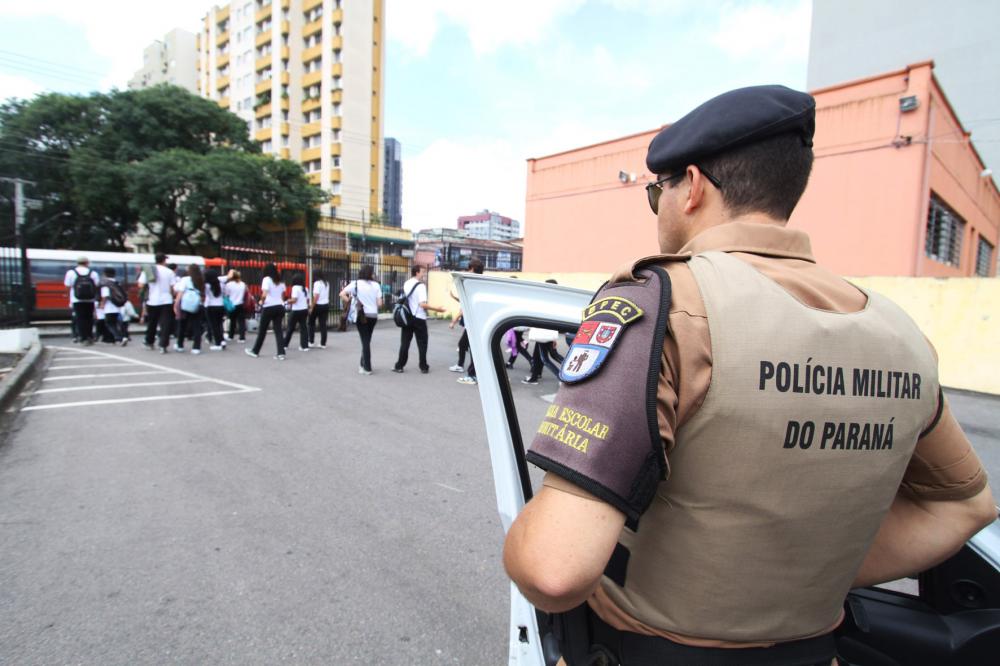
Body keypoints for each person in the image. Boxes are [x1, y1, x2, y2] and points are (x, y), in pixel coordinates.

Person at [502, 86, 996, 666]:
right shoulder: (901, 334)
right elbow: (966, 506)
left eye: (657, 194)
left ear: (693, 187)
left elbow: (554, 569)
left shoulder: (663, 302)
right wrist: (807, 574)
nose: (658, 209)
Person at [392, 265, 446, 374]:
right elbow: (422, 304)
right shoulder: (421, 286)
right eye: (422, 272)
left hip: (407, 317)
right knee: (422, 344)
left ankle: (399, 366)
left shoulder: (407, 283)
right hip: (419, 318)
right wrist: (438, 309)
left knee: (405, 343)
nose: (424, 274)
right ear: (416, 272)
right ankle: (423, 366)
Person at [339, 264, 382, 375]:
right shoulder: (376, 285)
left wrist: (350, 301)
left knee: (365, 341)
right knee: (367, 340)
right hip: (373, 316)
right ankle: (362, 364)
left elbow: (342, 294)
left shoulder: (356, 284)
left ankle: (367, 368)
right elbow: (380, 304)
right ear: (370, 274)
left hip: (361, 315)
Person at [453, 257, 484, 385]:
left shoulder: (473, 284)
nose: (467, 271)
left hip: (474, 323)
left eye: (469, 269)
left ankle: (472, 375)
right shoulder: (480, 283)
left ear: (472, 269)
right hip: (475, 322)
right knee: (469, 347)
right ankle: (474, 373)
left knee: (473, 349)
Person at [138, 254, 177, 354]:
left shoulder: (148, 270)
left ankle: (149, 341)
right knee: (165, 323)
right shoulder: (169, 272)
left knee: (152, 322)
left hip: (152, 300)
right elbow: (172, 288)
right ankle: (163, 345)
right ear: (164, 260)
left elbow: (140, 284)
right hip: (166, 300)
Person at [247, 262, 286, 360]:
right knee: (278, 330)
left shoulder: (267, 279)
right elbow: (282, 296)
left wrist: (261, 301)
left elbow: (264, 294)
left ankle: (255, 351)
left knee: (262, 330)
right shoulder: (280, 281)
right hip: (280, 307)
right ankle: (281, 353)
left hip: (269, 307)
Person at [63, 256, 99, 345]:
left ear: (77, 263)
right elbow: (97, 286)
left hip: (76, 299)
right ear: (87, 263)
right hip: (90, 299)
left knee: (80, 318)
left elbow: (67, 286)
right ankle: (89, 336)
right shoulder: (93, 273)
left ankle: (83, 337)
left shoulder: (71, 273)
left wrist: (67, 295)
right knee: (89, 318)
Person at [173, 264, 205, 354]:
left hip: (185, 305)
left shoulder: (185, 279)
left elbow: (180, 293)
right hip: (197, 304)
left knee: (182, 325)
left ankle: (180, 345)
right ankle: (196, 347)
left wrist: (176, 304)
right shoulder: (201, 280)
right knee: (197, 326)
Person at [282, 271, 310, 352]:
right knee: (304, 328)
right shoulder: (305, 289)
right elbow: (307, 300)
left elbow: (294, 300)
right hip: (304, 310)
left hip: (296, 310)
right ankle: (304, 346)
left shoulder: (295, 288)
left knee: (290, 328)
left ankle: (285, 344)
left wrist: (287, 301)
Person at [98, 266, 126, 346]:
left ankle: (119, 338)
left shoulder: (106, 284)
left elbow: (105, 296)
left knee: (109, 324)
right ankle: (113, 339)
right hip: (118, 306)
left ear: (105, 274)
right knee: (115, 323)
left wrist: (102, 305)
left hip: (109, 307)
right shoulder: (117, 283)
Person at [203, 268, 226, 351]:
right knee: (219, 325)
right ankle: (222, 340)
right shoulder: (221, 284)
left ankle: (218, 343)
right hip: (221, 305)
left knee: (214, 326)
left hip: (210, 306)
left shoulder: (206, 285)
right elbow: (225, 293)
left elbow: (204, 294)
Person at [308, 270, 331, 348]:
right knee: (323, 324)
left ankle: (311, 341)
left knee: (311, 323)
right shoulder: (326, 283)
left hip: (318, 305)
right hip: (325, 305)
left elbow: (316, 296)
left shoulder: (317, 283)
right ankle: (323, 343)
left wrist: (311, 307)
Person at [224, 269, 248, 343]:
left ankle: (231, 336)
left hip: (232, 304)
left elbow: (226, 295)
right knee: (241, 321)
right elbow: (245, 293)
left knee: (232, 321)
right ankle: (242, 337)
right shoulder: (243, 284)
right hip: (240, 304)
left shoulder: (228, 285)